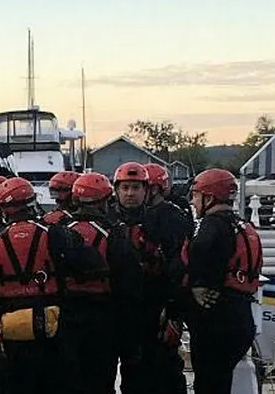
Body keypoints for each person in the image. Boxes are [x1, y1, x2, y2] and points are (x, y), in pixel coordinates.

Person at [0, 178, 86, 394]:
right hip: (54, 332)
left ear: (2, 209)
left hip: (13, 336)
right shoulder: (57, 235)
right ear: (32, 203)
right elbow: (87, 267)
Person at [60, 173, 143, 394]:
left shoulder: (59, 230)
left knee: (70, 381)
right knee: (100, 381)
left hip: (66, 316)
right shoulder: (115, 232)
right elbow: (129, 281)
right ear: (105, 201)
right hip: (103, 315)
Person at [182, 168, 262, 394]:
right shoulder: (243, 226)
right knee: (221, 381)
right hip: (242, 316)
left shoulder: (211, 226)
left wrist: (197, 285)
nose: (192, 202)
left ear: (209, 198)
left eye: (195, 196)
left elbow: (200, 257)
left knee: (208, 383)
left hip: (218, 319)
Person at [112, 162, 166, 394]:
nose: (130, 193)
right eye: (125, 188)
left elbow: (175, 266)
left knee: (147, 370)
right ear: (116, 190)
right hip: (113, 307)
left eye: (135, 188)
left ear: (146, 190)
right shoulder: (107, 221)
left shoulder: (161, 221)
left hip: (149, 305)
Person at [142, 163, 195, 394]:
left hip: (163, 299)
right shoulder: (174, 213)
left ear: (153, 189)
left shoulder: (169, 217)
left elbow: (178, 264)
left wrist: (173, 310)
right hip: (152, 299)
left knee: (164, 362)